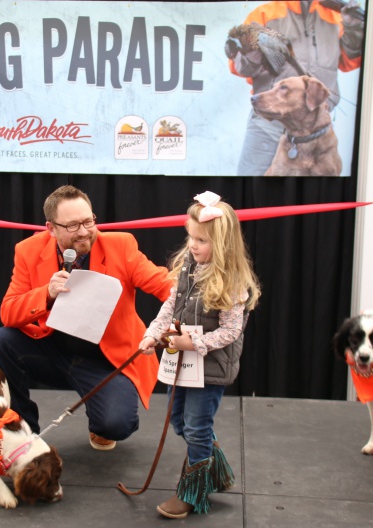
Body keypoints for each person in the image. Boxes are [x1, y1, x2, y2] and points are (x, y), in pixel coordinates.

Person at [0, 185, 173, 451]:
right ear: (51, 229)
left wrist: (205, 293)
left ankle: (100, 422)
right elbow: (8, 312)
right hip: (52, 352)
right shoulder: (28, 250)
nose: (84, 231)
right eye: (73, 226)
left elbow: (161, 282)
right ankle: (23, 433)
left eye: (88, 221)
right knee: (0, 340)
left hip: (106, 360)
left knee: (116, 425)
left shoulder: (121, 245)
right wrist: (46, 295)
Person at [138, 191, 261, 519]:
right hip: (183, 363)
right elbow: (170, 307)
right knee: (180, 422)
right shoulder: (187, 269)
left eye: (202, 240)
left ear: (222, 244)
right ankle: (212, 463)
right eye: (191, 236)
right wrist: (152, 333)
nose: (193, 245)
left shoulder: (233, 283)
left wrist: (197, 343)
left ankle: (192, 493)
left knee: (195, 427)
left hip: (210, 368)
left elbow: (231, 332)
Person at [226, 0, 365, 175]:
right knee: (254, 192)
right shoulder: (265, 13)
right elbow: (236, 66)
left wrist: (353, 28)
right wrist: (250, 57)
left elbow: (349, 62)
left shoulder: (336, 17)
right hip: (269, 124)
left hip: (317, 129)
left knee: (318, 199)